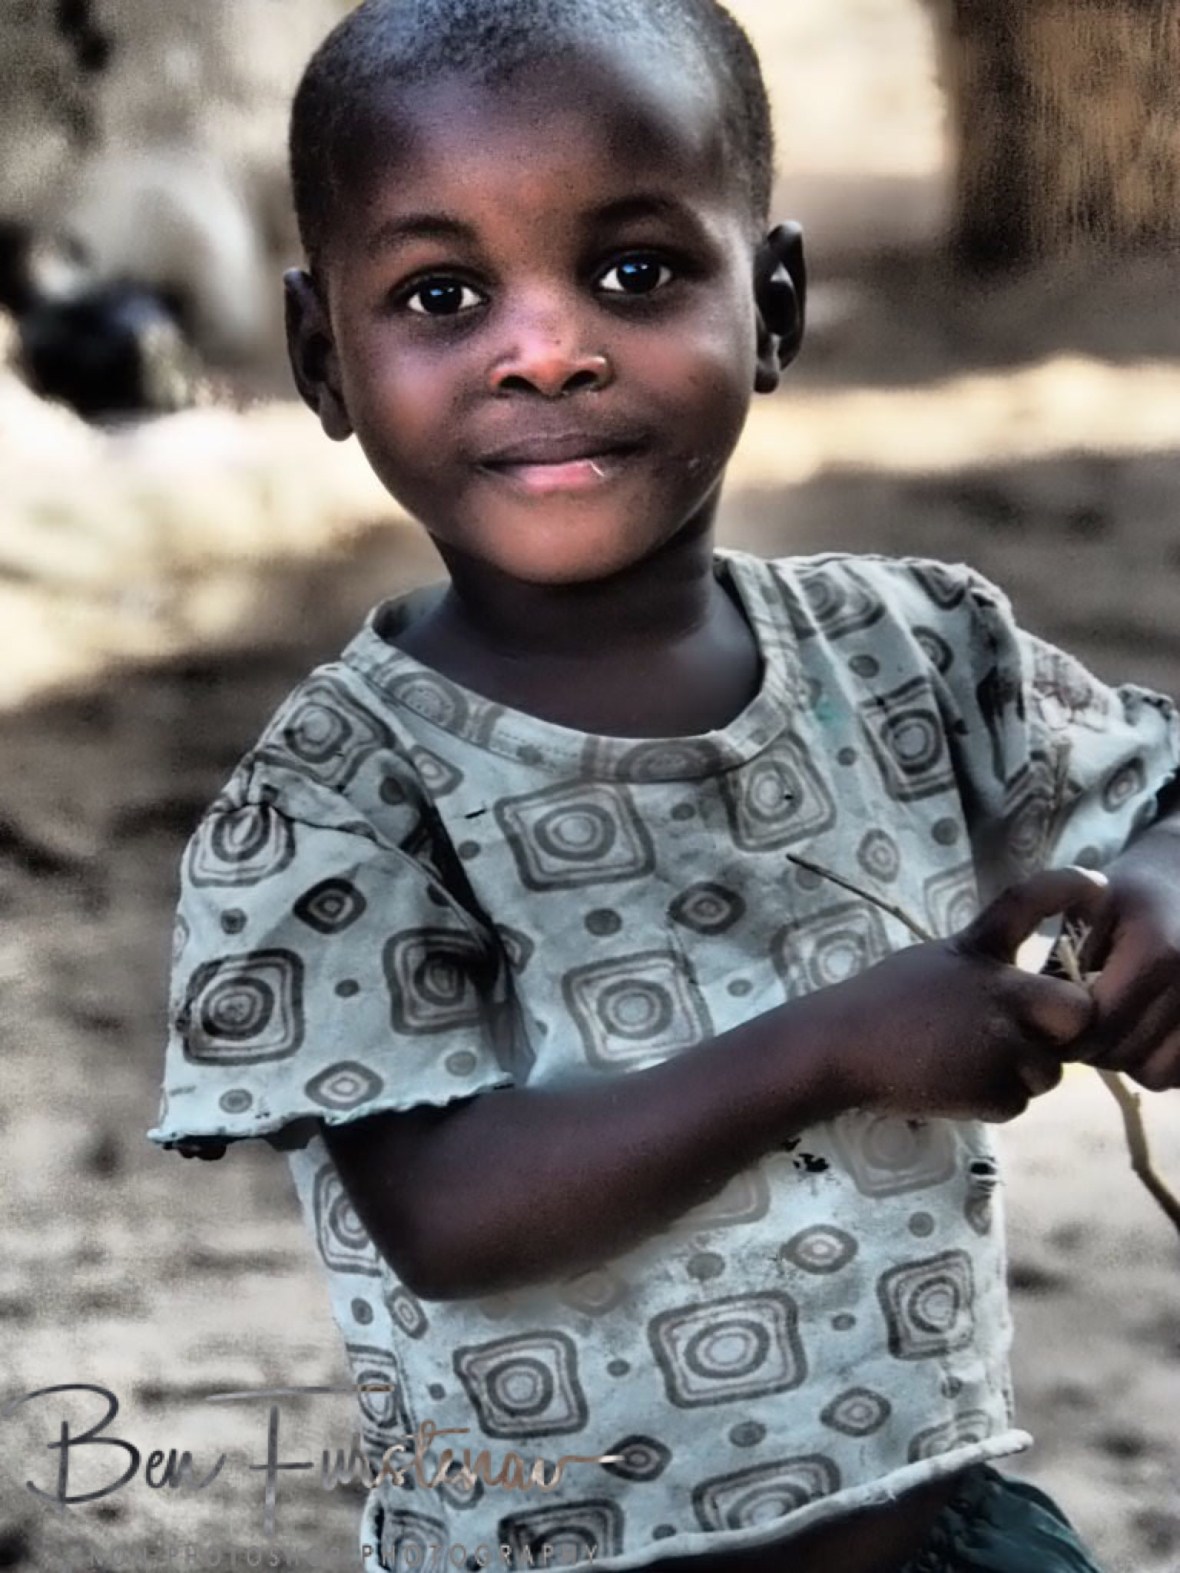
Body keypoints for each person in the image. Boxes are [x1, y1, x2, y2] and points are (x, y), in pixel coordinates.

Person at [151, 2, 1180, 1569]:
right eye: (443, 292)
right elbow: (449, 1209)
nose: (549, 345)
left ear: (771, 307)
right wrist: (834, 1043)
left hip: (935, 1526)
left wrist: (1164, 903)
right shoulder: (337, 794)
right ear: (323, 356)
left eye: (636, 273)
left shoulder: (916, 650)